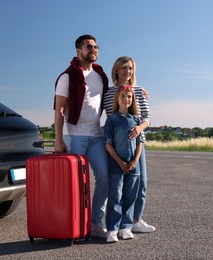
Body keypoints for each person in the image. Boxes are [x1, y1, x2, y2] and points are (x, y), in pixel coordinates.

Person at [53, 34, 109, 238]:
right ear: (78, 51)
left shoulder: (101, 76)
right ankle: (75, 225)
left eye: (96, 46)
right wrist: (59, 139)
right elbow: (59, 110)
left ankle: (95, 223)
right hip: (74, 136)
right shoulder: (67, 76)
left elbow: (117, 94)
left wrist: (139, 91)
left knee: (104, 179)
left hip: (96, 136)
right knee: (76, 184)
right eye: (89, 46)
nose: (94, 49)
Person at [103, 56, 155, 233]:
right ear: (116, 70)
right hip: (116, 146)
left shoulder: (139, 91)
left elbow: (147, 117)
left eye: (131, 68)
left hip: (137, 145)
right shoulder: (109, 93)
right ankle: (117, 224)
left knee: (141, 183)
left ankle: (136, 220)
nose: (128, 72)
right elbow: (109, 117)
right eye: (124, 68)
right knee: (117, 188)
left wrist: (140, 128)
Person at [104, 85, 144, 243]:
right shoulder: (112, 120)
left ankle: (125, 227)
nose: (126, 99)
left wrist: (135, 161)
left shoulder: (136, 119)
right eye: (123, 96)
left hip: (134, 166)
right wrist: (120, 162)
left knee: (130, 196)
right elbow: (108, 144)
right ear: (117, 98)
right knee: (116, 196)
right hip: (116, 165)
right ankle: (112, 229)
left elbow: (140, 143)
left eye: (129, 97)